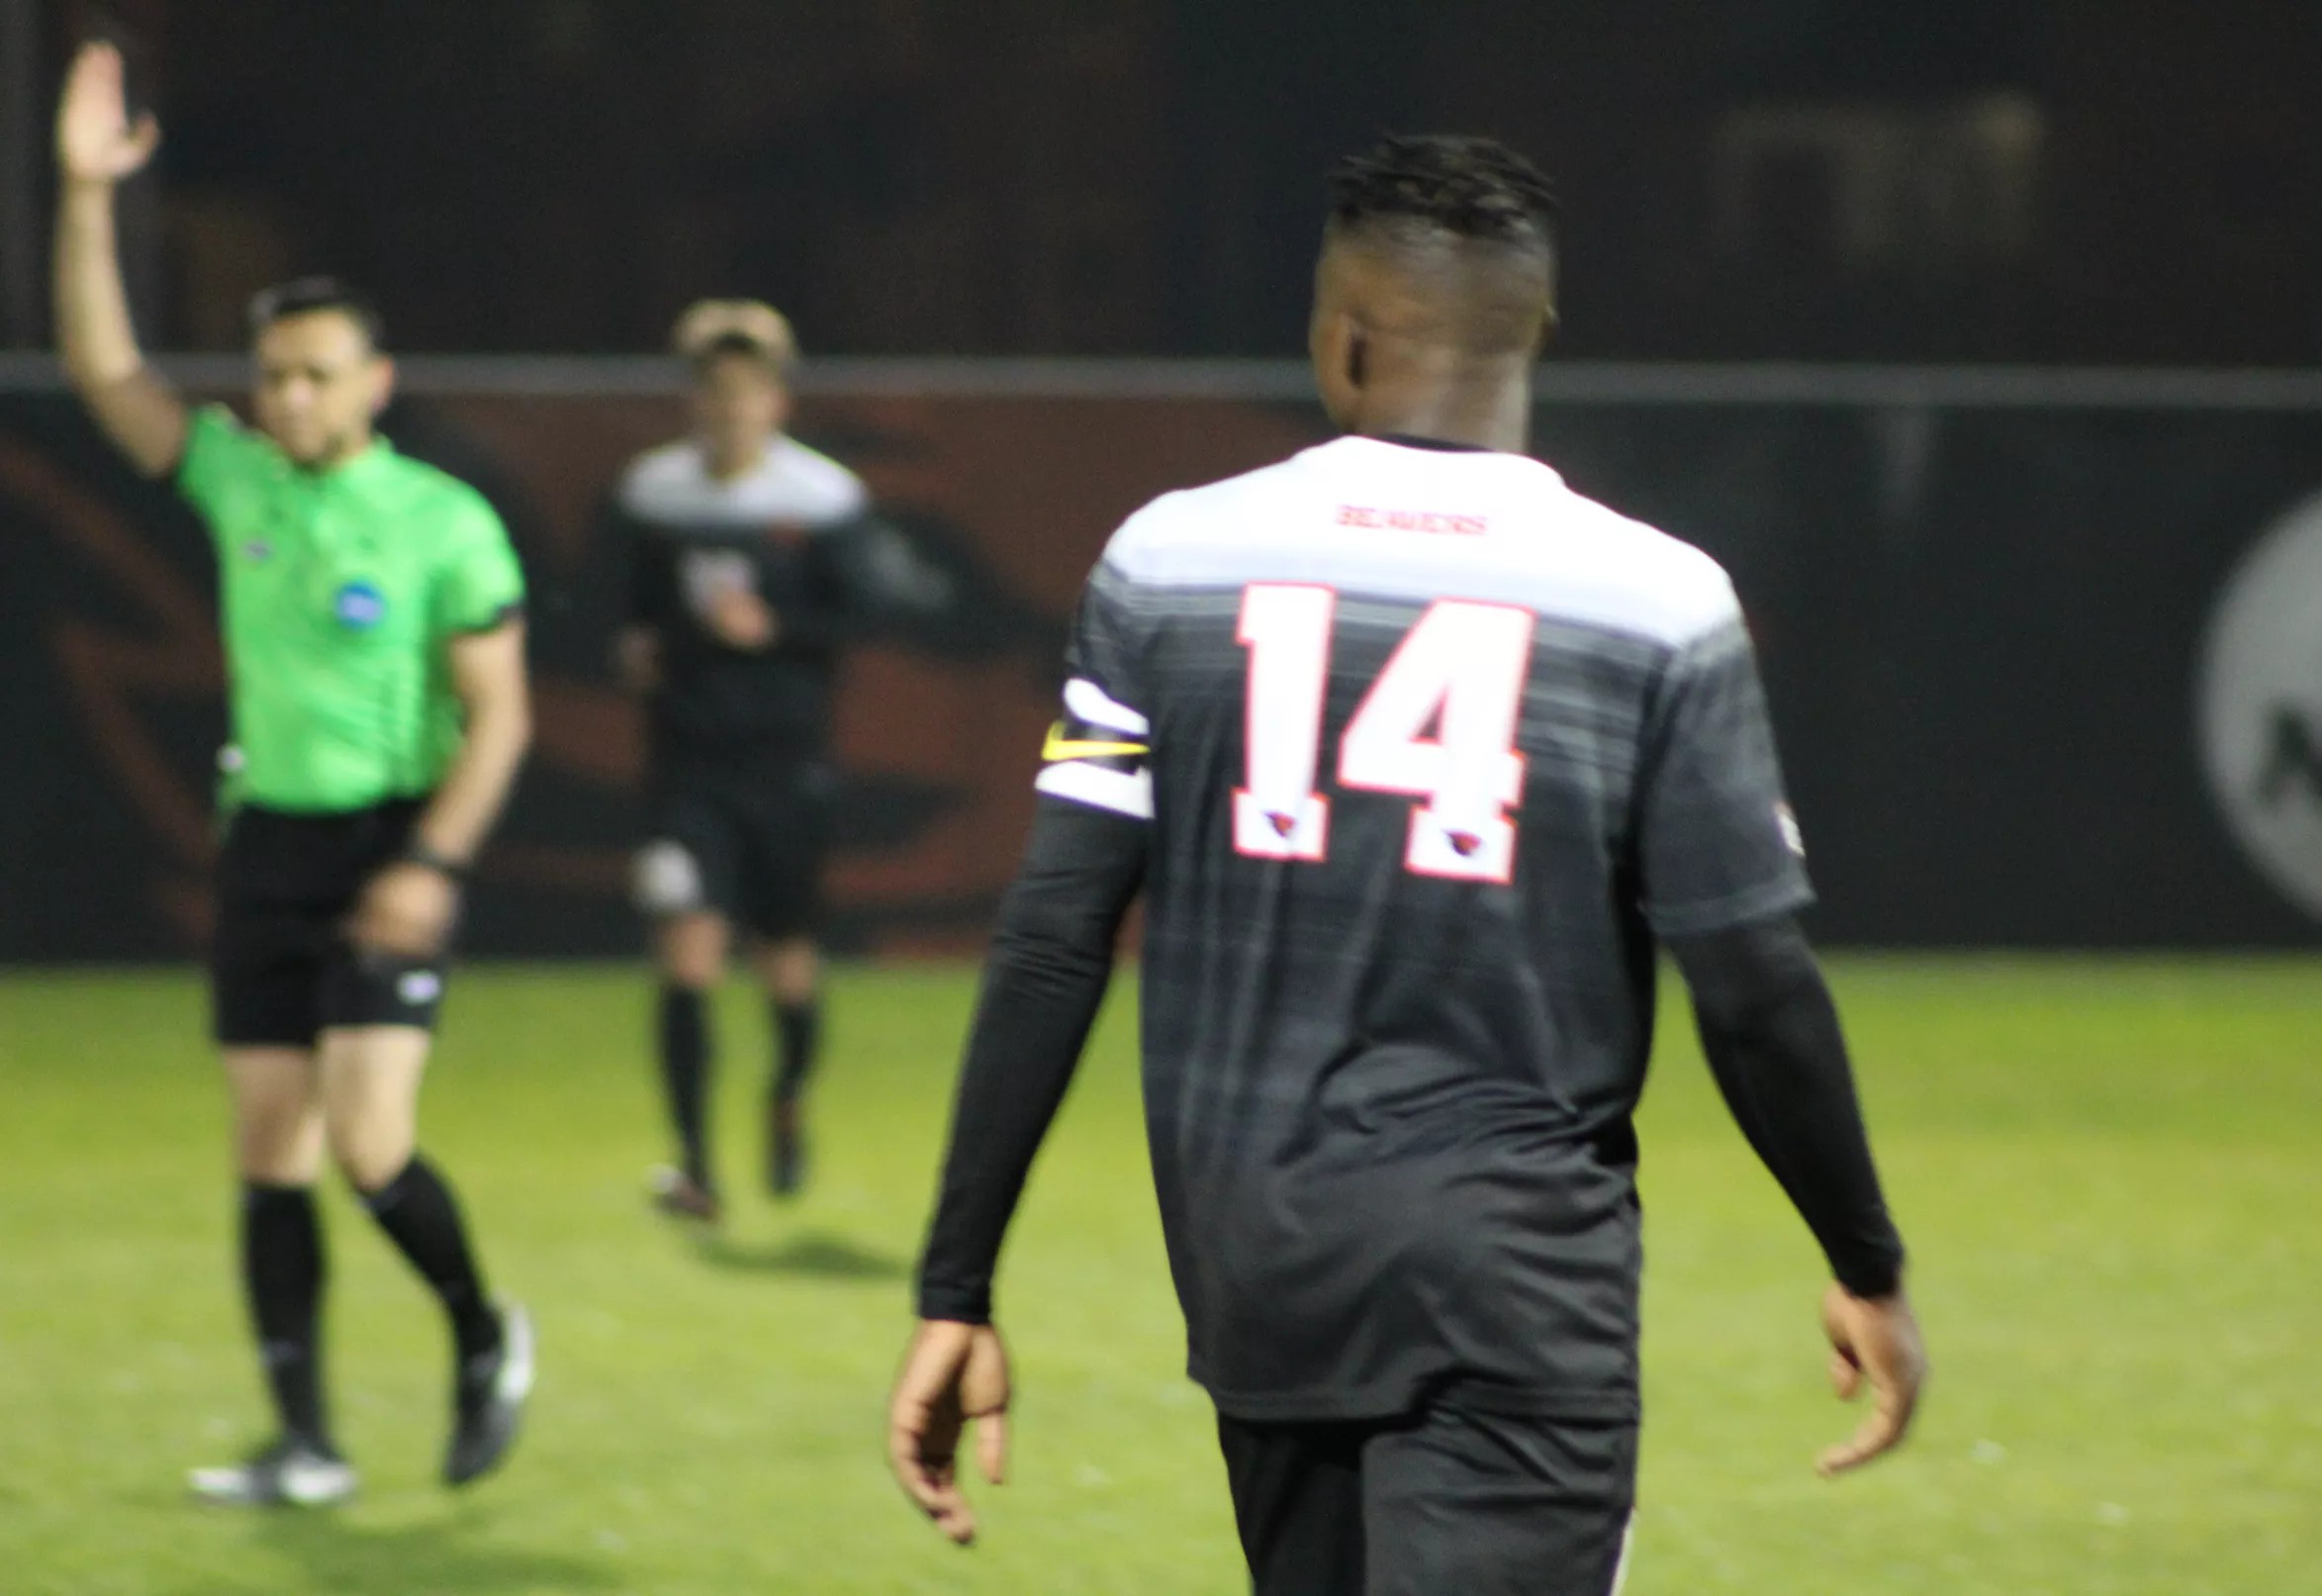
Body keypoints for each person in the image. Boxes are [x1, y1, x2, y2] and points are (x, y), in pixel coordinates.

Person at [888, 135, 1927, 1592]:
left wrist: (958, 1283)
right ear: (1533, 333)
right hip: (1515, 1279)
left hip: (1262, 1265)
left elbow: (1056, 935)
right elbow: (1751, 977)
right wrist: (1863, 1257)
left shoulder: (1168, 560)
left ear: (1343, 333)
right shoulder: (1657, 600)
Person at [52, 42, 535, 1506]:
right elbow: (102, 369)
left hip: (387, 846)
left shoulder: (445, 520)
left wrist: (429, 866)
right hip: (266, 840)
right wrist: (83, 196)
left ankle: (479, 1331)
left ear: (373, 381)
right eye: (272, 376)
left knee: (368, 1145)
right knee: (269, 1148)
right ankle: (307, 1442)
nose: (289, 398)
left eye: (317, 376)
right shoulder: (236, 475)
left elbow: (500, 717)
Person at [610, 300, 950, 1221]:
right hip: (687, 770)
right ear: (695, 398)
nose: (730, 408)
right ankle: (694, 1167)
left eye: (748, 389)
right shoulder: (655, 494)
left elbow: (873, 613)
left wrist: (777, 629)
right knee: (685, 954)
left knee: (788, 966)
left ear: (777, 400)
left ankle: (787, 1095)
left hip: (787, 770)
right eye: (714, 389)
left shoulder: (822, 500)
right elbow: (624, 605)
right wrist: (633, 645)